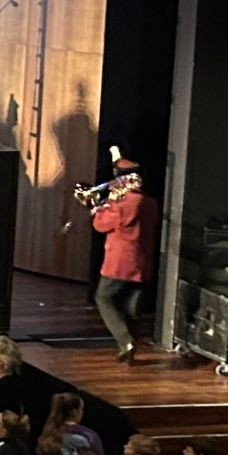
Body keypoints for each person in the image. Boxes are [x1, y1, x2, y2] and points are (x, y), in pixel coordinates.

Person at [90, 152, 159, 363]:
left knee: (103, 297)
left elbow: (101, 225)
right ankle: (127, 347)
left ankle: (125, 341)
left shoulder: (123, 203)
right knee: (130, 305)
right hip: (143, 262)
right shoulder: (150, 202)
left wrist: (98, 209)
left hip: (120, 262)